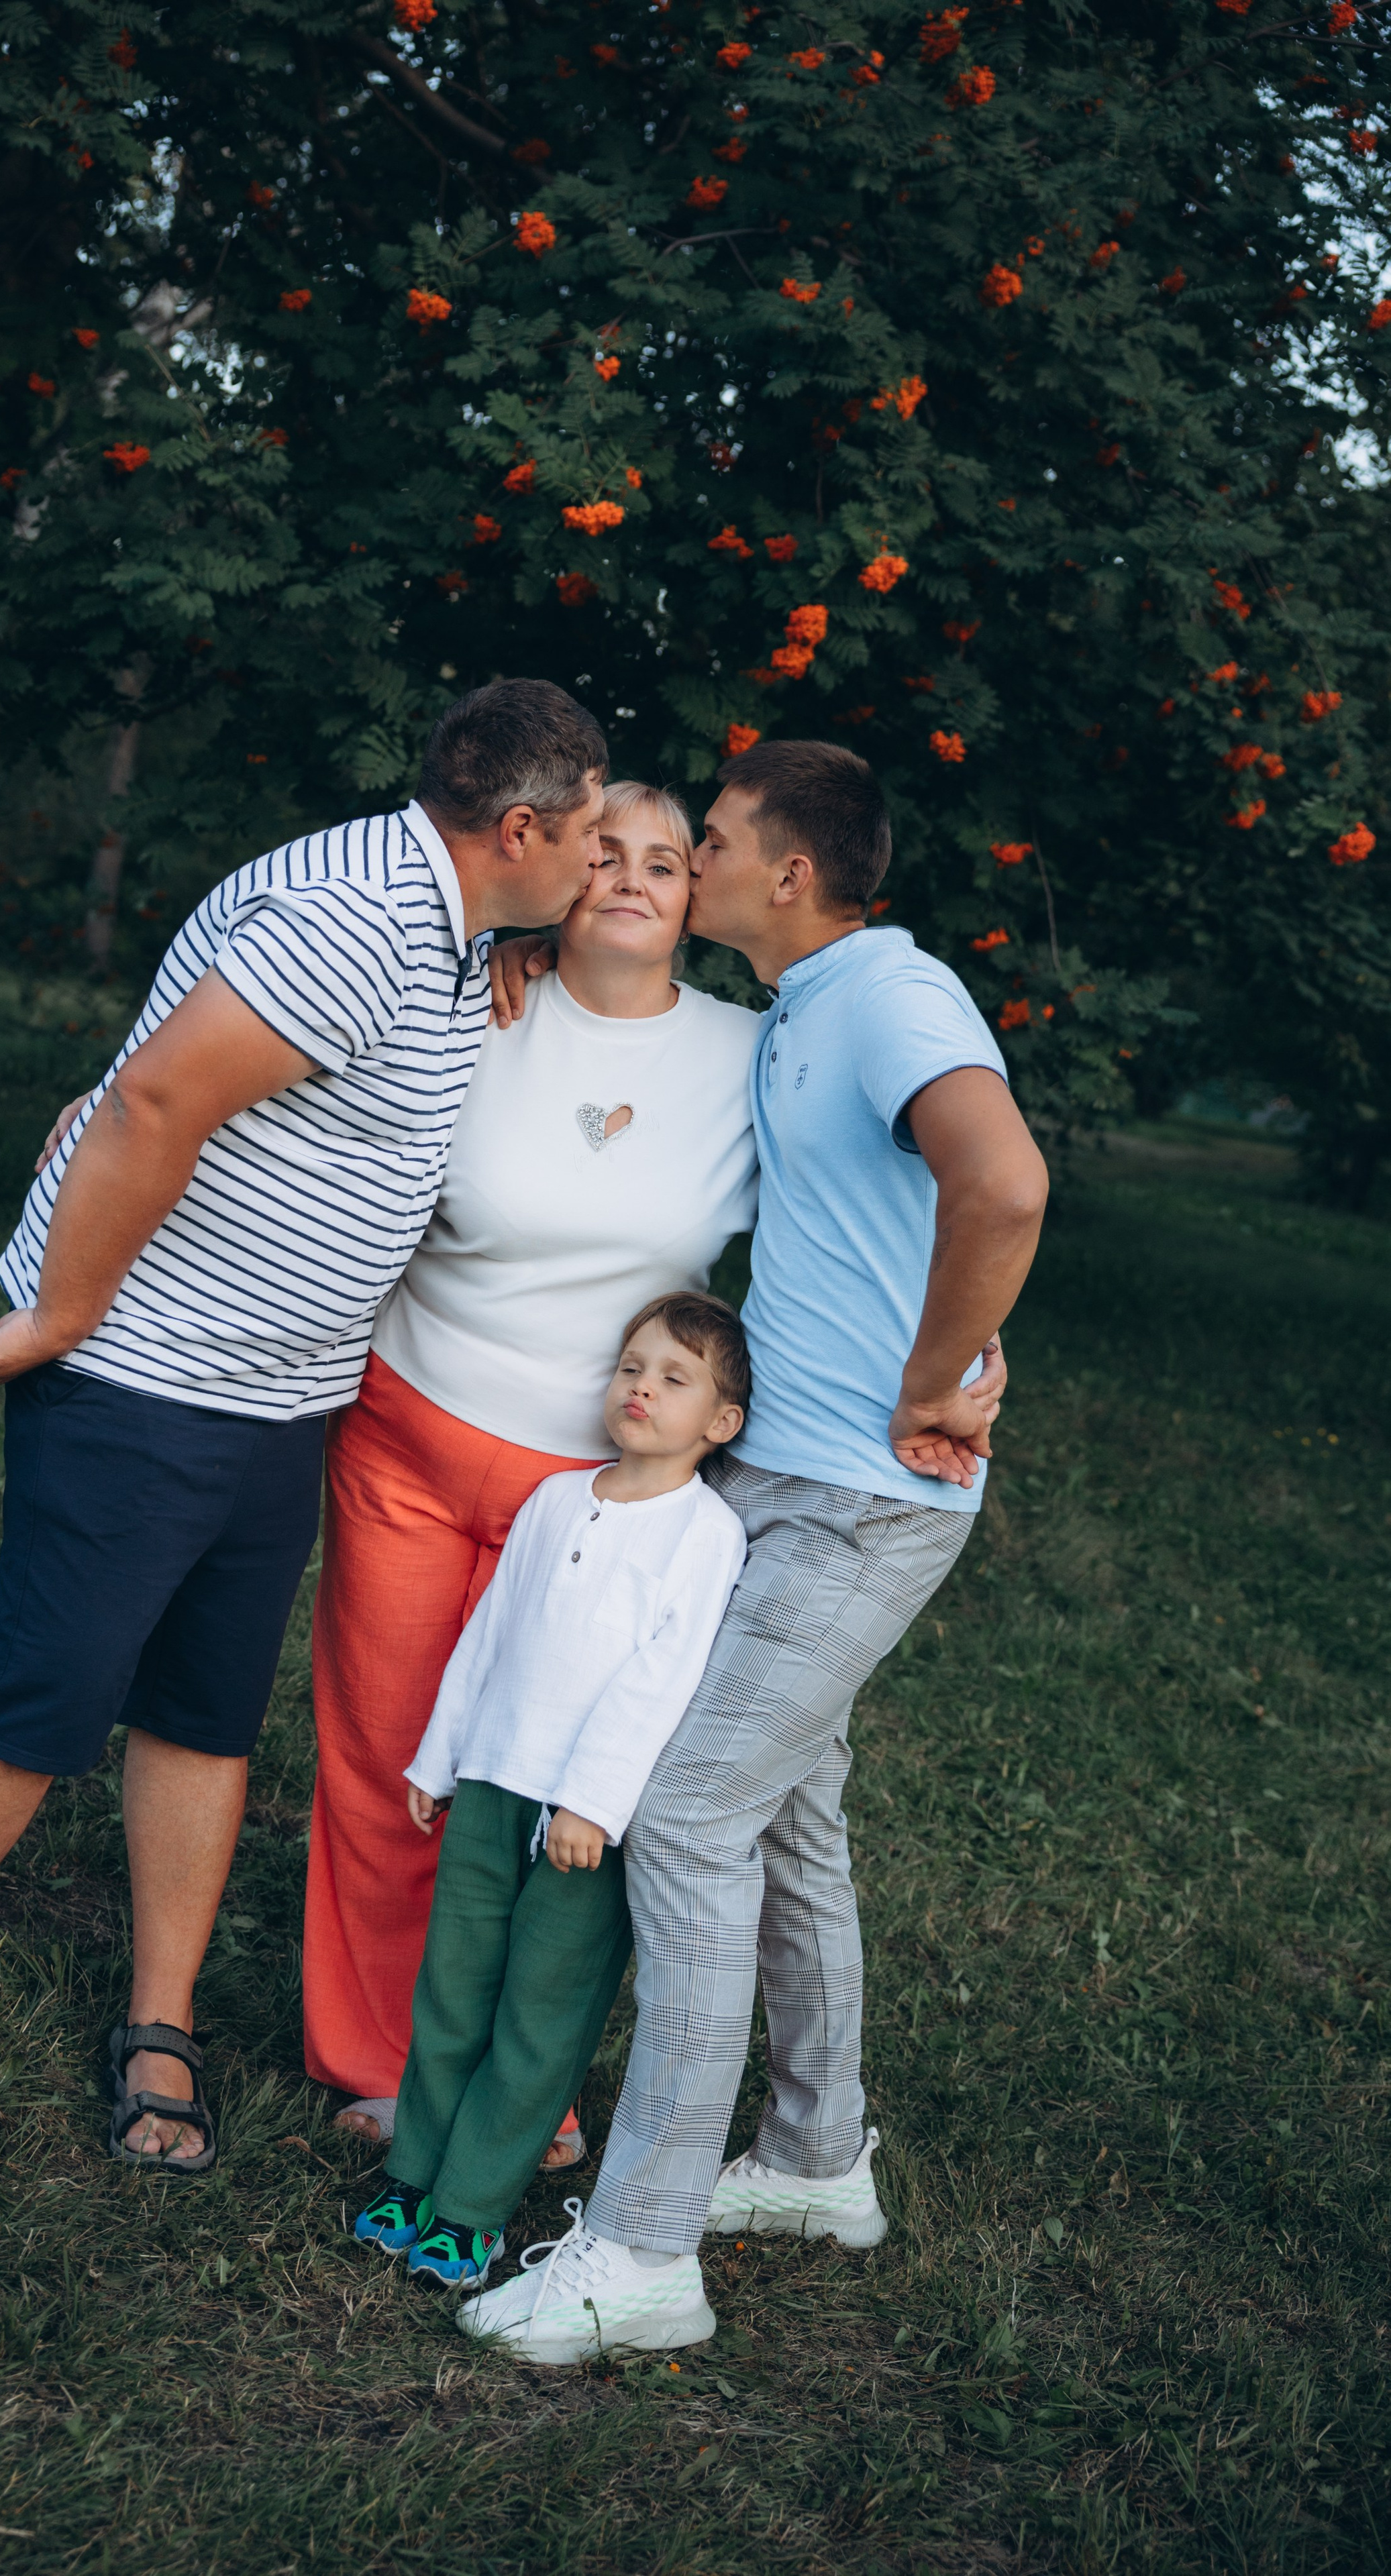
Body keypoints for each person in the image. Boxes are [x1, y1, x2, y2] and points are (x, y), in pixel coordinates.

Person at [0, 679, 607, 2212]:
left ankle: (160, 2021)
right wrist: (61, 1317)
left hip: (281, 1400)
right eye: (589, 828)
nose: (602, 858)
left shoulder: (450, 921)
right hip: (147, 1382)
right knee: (31, 1706)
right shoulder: (354, 917)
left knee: (201, 1718)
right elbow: (145, 1106)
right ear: (517, 826)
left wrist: (519, 953)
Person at [457, 737, 1048, 2361]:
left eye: (705, 839)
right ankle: (810, 2157)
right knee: (788, 1814)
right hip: (783, 1482)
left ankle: (640, 2251)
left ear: (786, 874)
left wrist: (938, 1376)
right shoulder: (805, 1006)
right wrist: (518, 951)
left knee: (691, 1808)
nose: (683, 857)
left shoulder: (882, 996)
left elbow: (999, 1180)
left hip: (865, 1495)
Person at [304, 783, 760, 2157]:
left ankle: (516, 2082)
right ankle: (375, 2063)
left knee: (546, 1791)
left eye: (664, 861)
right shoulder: (465, 1001)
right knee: (390, 1759)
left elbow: (880, 1210)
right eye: (602, 851)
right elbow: (276, 1077)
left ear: (698, 898)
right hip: (407, 1434)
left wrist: (961, 1355)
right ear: (557, 876)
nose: (628, 877)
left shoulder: (756, 1054)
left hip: (596, 1499)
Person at [350, 1293, 750, 2289]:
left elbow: (663, 1678)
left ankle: (472, 2206)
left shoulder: (703, 1534)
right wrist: (440, 1759)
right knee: (455, 1990)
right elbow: (489, 1636)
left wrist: (592, 1802)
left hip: (581, 1823)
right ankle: (416, 2173)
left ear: (720, 1422)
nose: (641, 1388)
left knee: (540, 2012)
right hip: (493, 1783)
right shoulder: (555, 1500)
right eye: (631, 1367)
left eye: (673, 1377)